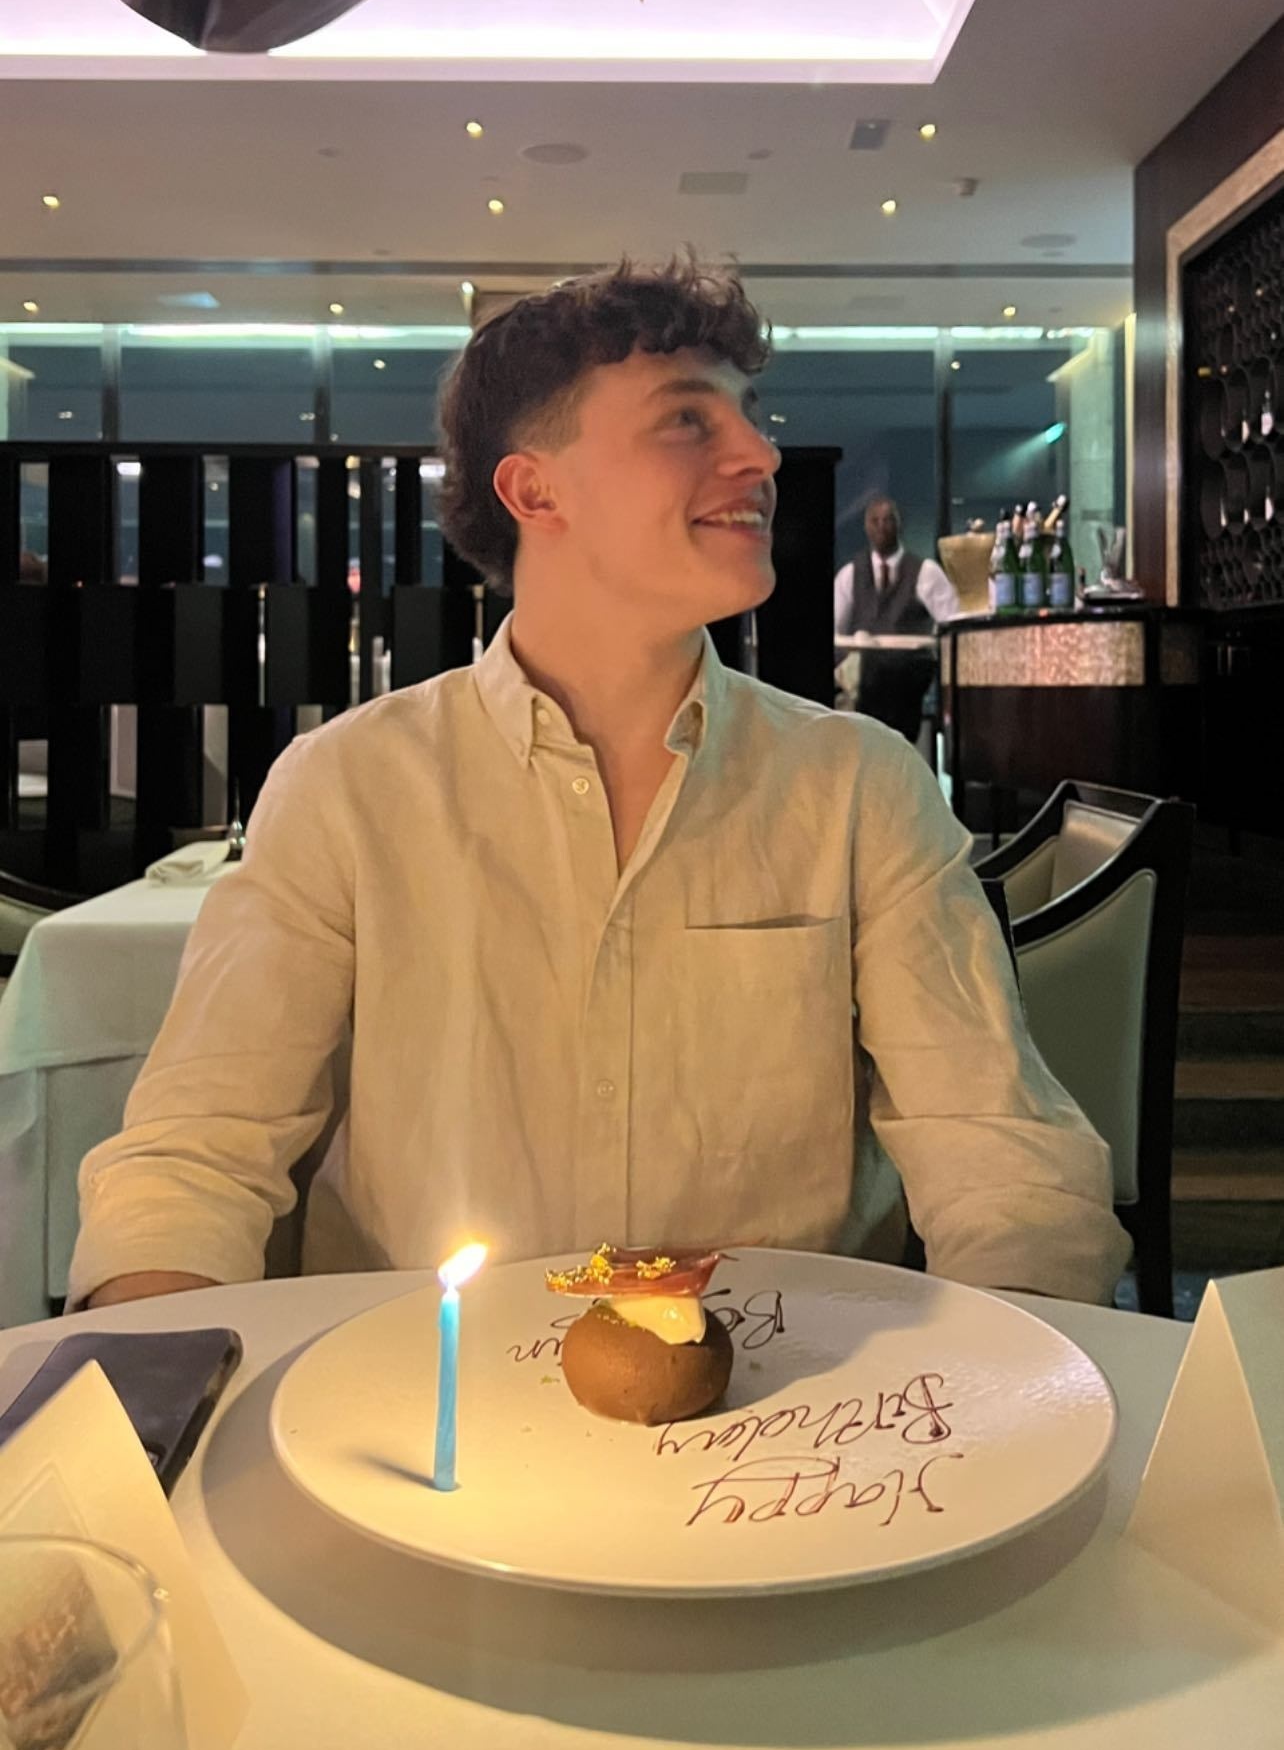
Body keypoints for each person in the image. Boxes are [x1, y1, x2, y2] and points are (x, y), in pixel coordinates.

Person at [71, 260, 1127, 1312]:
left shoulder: (858, 787)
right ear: (536, 490)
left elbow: (1003, 1160)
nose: (761, 455)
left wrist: (1022, 1373)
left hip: (791, 1399)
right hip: (419, 1394)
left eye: (751, 417)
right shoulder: (347, 789)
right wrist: (150, 1376)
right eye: (687, 420)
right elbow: (197, 1154)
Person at [833, 497, 960, 743]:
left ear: (900, 525)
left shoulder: (925, 572)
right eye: (875, 521)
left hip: (907, 691)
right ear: (866, 527)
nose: (881, 526)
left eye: (888, 520)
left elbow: (951, 624)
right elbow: (835, 631)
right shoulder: (850, 574)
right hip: (864, 694)